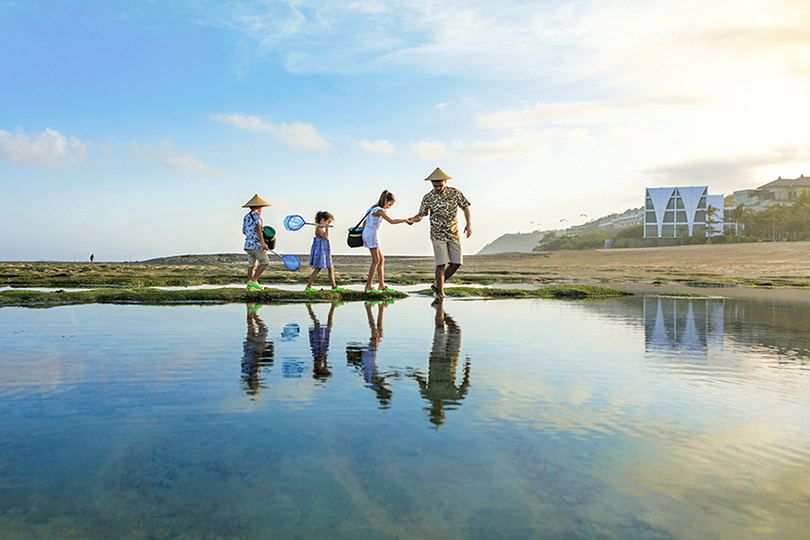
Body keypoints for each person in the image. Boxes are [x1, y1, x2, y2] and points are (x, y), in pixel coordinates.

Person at [409, 168, 471, 298]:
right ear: (431, 183)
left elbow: (465, 207)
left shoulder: (455, 193)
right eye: (435, 185)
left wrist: (468, 224)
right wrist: (413, 220)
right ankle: (440, 293)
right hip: (437, 234)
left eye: (440, 185)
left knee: (456, 263)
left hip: (453, 233)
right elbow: (421, 215)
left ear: (445, 181)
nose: (437, 188)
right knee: (441, 264)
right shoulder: (428, 197)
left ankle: (437, 284)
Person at [362, 190, 413, 292]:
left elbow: (365, 222)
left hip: (368, 233)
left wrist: (365, 233)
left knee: (381, 259)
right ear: (385, 200)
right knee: (376, 260)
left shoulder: (372, 208)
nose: (389, 207)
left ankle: (381, 285)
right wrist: (405, 220)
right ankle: (368, 286)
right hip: (371, 235)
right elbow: (391, 221)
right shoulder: (379, 210)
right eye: (389, 204)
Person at [305, 211, 341, 292]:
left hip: (325, 251)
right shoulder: (319, 229)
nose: (328, 224)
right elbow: (325, 237)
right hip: (320, 252)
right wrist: (327, 229)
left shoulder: (321, 228)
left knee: (331, 268)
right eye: (328, 222)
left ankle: (334, 287)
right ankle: (309, 287)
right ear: (322, 220)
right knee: (317, 269)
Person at [242, 194, 271, 291]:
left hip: (248, 244)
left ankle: (249, 286)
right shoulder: (257, 215)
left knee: (252, 265)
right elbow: (258, 229)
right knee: (265, 262)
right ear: (259, 207)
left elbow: (244, 231)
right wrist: (263, 243)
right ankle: (253, 281)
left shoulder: (246, 216)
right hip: (256, 245)